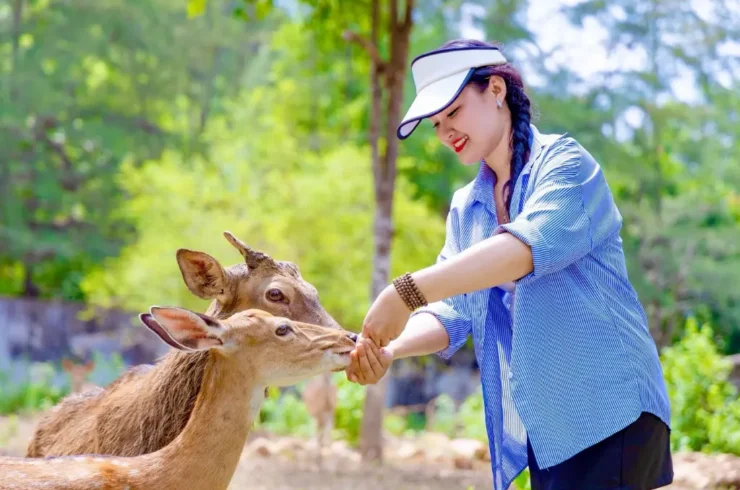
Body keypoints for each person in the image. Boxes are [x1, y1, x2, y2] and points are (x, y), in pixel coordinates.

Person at [345, 39, 673, 490]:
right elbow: (453, 310)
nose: (445, 132)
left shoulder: (566, 165)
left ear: (496, 89)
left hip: (610, 408)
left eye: (454, 112)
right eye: (436, 124)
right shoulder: (467, 206)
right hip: (551, 425)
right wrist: (389, 349)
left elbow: (520, 252)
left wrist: (403, 291)